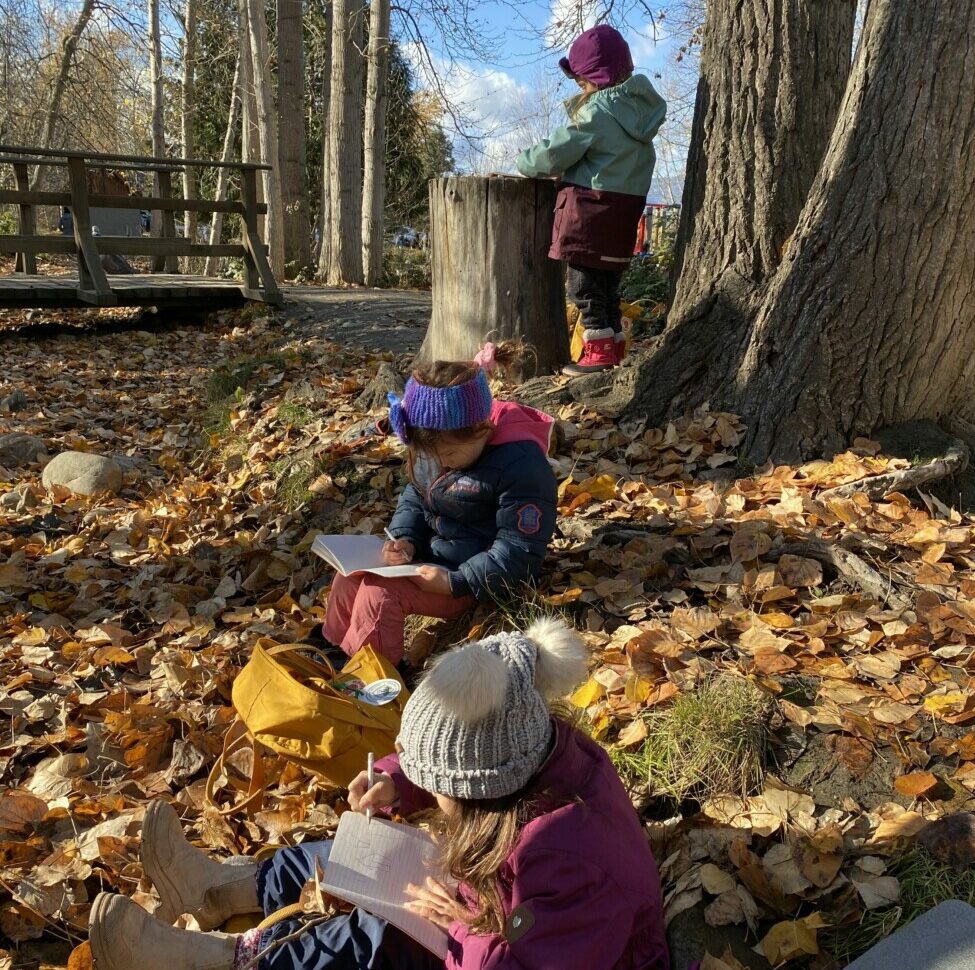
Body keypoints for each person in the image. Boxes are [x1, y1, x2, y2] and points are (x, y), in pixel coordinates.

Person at [88, 618, 671, 970]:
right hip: (500, 907)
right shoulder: (524, 750)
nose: (431, 789)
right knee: (352, 855)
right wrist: (396, 779)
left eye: (434, 783)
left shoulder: (570, 855)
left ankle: (218, 961)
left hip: (523, 946)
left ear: (479, 792)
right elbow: (456, 758)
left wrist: (461, 923)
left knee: (377, 939)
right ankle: (216, 889)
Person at [320, 342, 558, 670]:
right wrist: (404, 538)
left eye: (449, 456)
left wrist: (454, 582)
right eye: (431, 456)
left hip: (472, 578)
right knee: (349, 578)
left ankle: (379, 680)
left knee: (379, 595)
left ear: (482, 430)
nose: (440, 463)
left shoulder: (521, 466)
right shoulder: (435, 446)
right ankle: (333, 648)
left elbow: (519, 552)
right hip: (429, 561)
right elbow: (415, 496)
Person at [516, 25, 666, 376]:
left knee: (583, 285)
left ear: (596, 79)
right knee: (608, 285)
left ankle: (597, 351)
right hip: (623, 214)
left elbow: (557, 151)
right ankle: (613, 345)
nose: (581, 91)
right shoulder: (639, 117)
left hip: (589, 212)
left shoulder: (597, 111)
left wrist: (525, 162)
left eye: (582, 83)